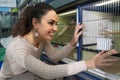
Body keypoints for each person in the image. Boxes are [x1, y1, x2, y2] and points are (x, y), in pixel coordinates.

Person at [0, 2, 118, 80]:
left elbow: (54, 56)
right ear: (35, 23)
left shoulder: (42, 40)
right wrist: (89, 63)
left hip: (26, 74)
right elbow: (46, 71)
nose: (55, 29)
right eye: (51, 23)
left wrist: (73, 42)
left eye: (56, 24)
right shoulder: (17, 46)